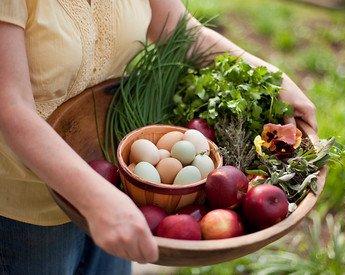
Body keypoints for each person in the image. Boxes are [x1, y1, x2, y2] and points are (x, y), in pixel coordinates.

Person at [0, 0, 317, 274]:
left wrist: (272, 79)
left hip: (122, 181)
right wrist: (96, 197)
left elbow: (179, 31)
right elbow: (11, 107)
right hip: (29, 207)